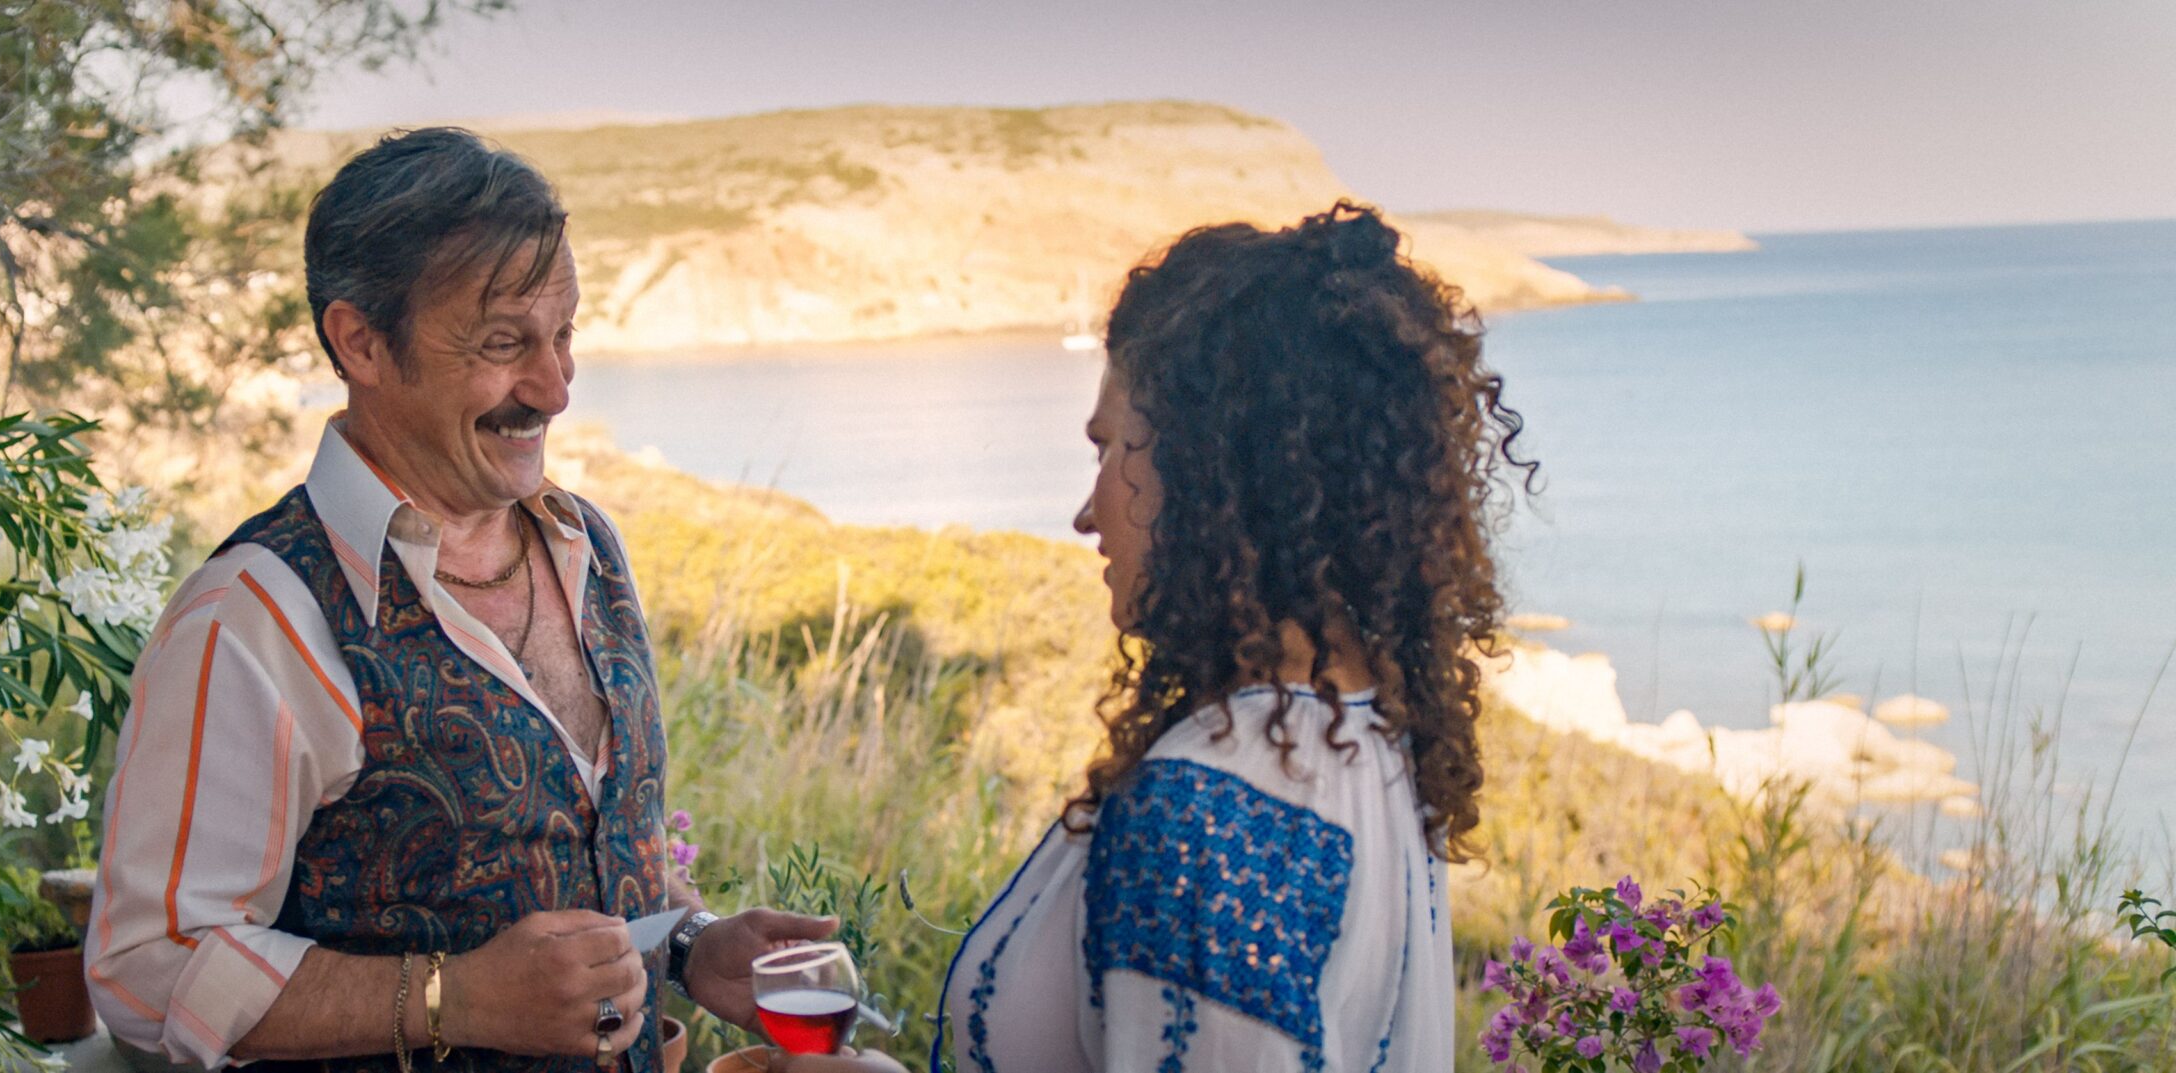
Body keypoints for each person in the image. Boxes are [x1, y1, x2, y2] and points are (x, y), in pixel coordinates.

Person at [84, 128, 834, 1073]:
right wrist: (457, 998)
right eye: (503, 344)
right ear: (361, 342)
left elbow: (577, 856)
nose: (554, 389)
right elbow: (147, 967)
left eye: (564, 336)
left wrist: (689, 942)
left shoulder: (587, 545)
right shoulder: (252, 618)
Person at [785, 202, 1532, 1073]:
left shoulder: (1209, 814)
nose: (1086, 511)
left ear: (1214, 467)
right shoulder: (1371, 738)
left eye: (1111, 449)